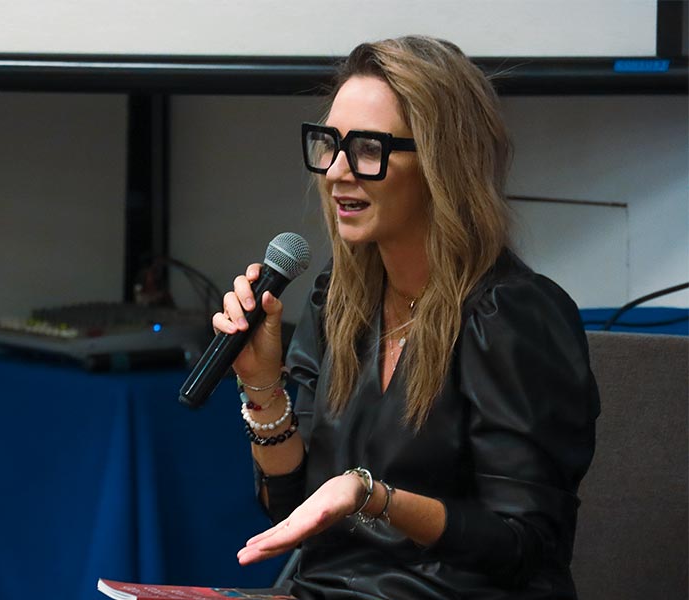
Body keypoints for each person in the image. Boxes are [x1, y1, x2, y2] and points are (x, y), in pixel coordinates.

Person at [212, 36, 599, 599]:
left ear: (443, 164)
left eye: (368, 148)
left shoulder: (513, 316)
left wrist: (373, 496)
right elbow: (293, 508)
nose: (337, 172)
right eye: (329, 144)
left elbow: (524, 548)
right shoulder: (339, 299)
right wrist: (264, 387)